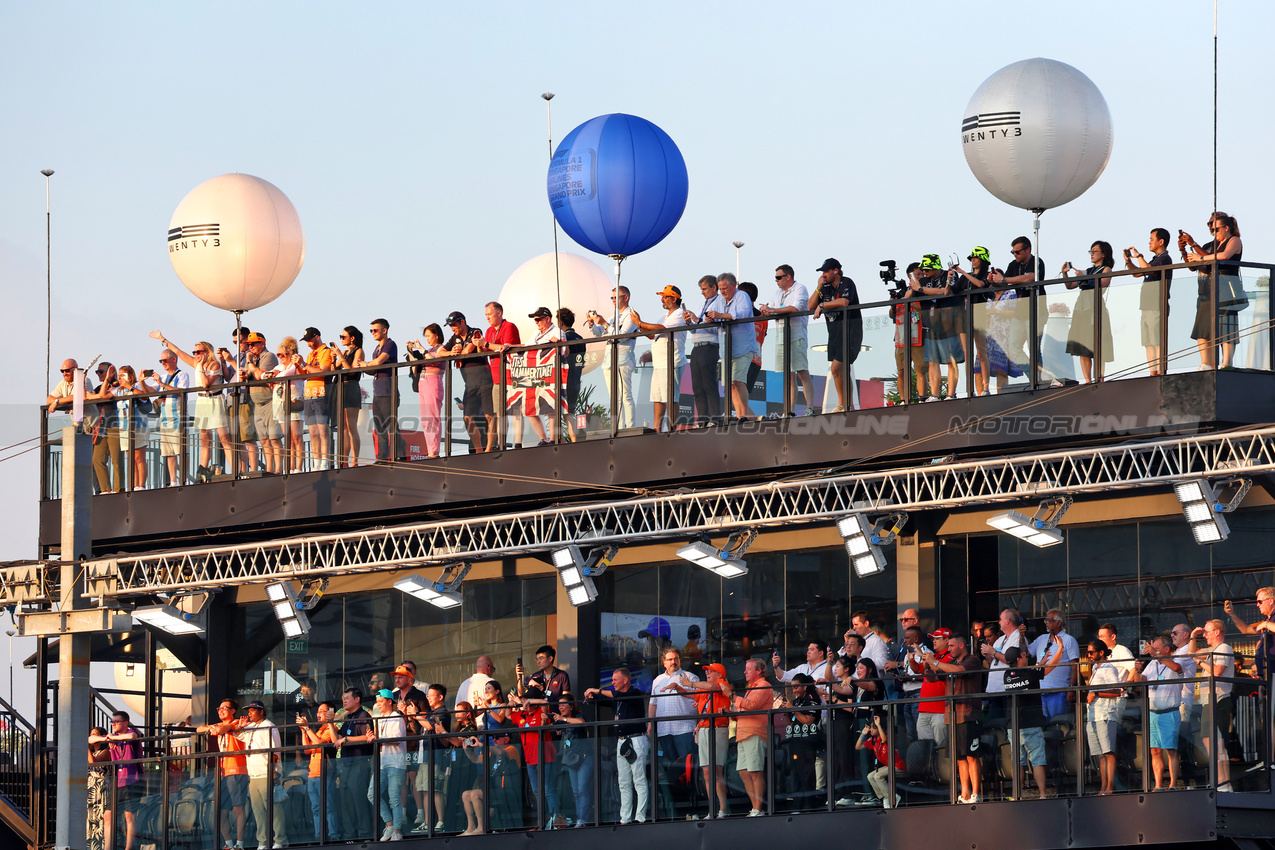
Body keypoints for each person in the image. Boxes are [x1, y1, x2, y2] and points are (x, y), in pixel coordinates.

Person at [150, 333, 237, 481]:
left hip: (214, 400)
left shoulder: (214, 365)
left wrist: (202, 367)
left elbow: (205, 384)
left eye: (198, 352)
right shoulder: (197, 365)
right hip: (202, 401)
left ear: (206, 352)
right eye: (194, 352)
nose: (195, 355)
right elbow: (178, 352)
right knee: (205, 439)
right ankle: (202, 470)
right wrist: (162, 339)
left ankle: (235, 470)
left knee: (224, 437)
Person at [584, 668, 649, 824]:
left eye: (615, 680)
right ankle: (625, 818)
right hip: (621, 742)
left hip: (636, 740)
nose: (612, 682)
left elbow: (619, 696)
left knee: (639, 780)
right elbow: (600, 701)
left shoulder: (634, 693)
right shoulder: (616, 698)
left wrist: (598, 690)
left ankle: (640, 817)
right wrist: (590, 696)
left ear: (625, 680)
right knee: (623, 782)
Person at [1005, 633, 1066, 799]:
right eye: (1024, 655)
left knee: (1018, 762)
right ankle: (1042, 794)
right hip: (1031, 723)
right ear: (1019, 659)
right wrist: (1060, 648)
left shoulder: (1007, 675)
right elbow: (1052, 666)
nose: (1026, 656)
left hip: (1014, 725)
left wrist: (1039, 663)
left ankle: (1017, 794)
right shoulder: (1030, 674)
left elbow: (1033, 670)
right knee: (1038, 760)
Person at [1182, 212, 1245, 369]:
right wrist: (1185, 252)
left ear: (1226, 227)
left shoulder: (1234, 240)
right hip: (1206, 290)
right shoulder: (1208, 246)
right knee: (1202, 328)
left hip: (1226, 289)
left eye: (1215, 228)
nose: (1212, 230)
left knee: (1226, 326)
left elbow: (1224, 256)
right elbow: (1198, 266)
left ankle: (1226, 363)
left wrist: (1198, 252)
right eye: (1210, 226)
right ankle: (1206, 364)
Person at [988, 237, 1047, 384]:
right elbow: (1005, 282)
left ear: (1028, 250)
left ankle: (1038, 379)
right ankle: (1033, 377)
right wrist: (993, 280)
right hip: (1020, 310)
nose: (1015, 255)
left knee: (1033, 347)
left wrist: (1003, 279)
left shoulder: (1036, 261)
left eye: (1017, 252)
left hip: (1035, 307)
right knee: (1013, 347)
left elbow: (1030, 278)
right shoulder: (1013, 264)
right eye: (1013, 252)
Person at [759, 264, 816, 415]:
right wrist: (766, 310)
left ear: (788, 277)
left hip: (796, 335)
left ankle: (810, 407)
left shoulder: (800, 288)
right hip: (781, 336)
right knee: (788, 374)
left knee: (802, 371)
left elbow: (795, 308)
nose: (776, 281)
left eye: (778, 277)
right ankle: (789, 411)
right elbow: (772, 308)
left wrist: (772, 310)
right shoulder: (778, 293)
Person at [648, 646, 698, 819]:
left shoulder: (690, 677)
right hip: (664, 730)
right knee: (670, 773)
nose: (673, 661)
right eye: (670, 659)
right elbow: (653, 704)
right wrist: (650, 725)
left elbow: (699, 700)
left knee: (689, 772)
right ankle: (675, 809)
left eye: (676, 658)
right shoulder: (657, 681)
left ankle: (692, 808)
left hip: (684, 728)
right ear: (664, 663)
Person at [809, 258, 864, 413]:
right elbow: (810, 306)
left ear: (836, 270)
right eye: (822, 272)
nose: (824, 275)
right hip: (834, 332)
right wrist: (818, 288)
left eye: (826, 271)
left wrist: (823, 305)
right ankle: (848, 404)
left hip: (850, 331)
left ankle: (842, 403)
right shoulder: (824, 286)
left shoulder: (847, 282)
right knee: (841, 370)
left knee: (836, 368)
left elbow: (844, 301)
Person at [933, 635, 983, 803]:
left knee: (971, 756)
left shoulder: (973, 660)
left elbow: (959, 671)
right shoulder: (950, 664)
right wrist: (925, 661)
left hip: (969, 714)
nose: (949, 649)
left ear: (962, 645)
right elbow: (934, 676)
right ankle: (965, 793)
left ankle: (976, 793)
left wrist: (935, 661)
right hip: (952, 716)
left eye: (952, 646)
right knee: (959, 757)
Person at [1131, 636, 1185, 790]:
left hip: (1169, 712)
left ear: (1166, 649)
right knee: (1155, 750)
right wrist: (1136, 670)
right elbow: (1139, 683)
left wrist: (1155, 653)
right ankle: (1159, 784)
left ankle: (1173, 784)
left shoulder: (1175, 661)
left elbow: (1176, 669)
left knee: (1171, 750)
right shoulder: (1153, 663)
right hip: (1152, 713)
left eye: (1156, 647)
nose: (1152, 650)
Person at [195, 699, 249, 849]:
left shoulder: (238, 722)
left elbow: (222, 729)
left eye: (225, 708)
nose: (220, 710)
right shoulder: (219, 725)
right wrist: (214, 726)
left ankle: (240, 844)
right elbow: (199, 729)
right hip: (223, 772)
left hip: (237, 769)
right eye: (219, 708)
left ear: (233, 711)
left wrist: (216, 728)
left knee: (238, 808)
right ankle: (229, 844)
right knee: (221, 811)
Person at [635, 285, 688, 432]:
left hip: (671, 361)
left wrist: (640, 323)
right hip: (659, 363)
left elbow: (662, 329)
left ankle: (672, 427)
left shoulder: (679, 314)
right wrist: (641, 327)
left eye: (665, 296)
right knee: (657, 397)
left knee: (671, 396)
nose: (662, 299)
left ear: (674, 298)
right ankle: (657, 427)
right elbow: (653, 335)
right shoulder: (664, 316)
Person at [585, 287, 638, 429]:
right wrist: (592, 323)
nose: (613, 300)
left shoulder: (631, 315)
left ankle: (630, 426)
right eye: (612, 298)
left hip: (623, 358)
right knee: (614, 397)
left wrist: (604, 324)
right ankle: (619, 427)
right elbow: (598, 333)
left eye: (616, 297)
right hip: (609, 360)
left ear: (625, 298)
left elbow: (622, 335)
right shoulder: (613, 316)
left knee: (625, 395)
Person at [1061, 242, 1114, 384]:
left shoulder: (1106, 269)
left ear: (1103, 254)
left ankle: (1099, 378)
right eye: (1091, 251)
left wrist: (1082, 278)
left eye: (1095, 251)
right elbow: (1070, 285)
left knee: (1098, 346)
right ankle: (1088, 380)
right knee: (1082, 347)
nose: (1092, 253)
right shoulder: (1088, 271)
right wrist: (1066, 273)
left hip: (1095, 309)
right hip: (1082, 309)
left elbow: (1102, 285)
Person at [1191, 619, 1235, 790]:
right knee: (1213, 742)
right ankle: (1222, 782)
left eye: (1207, 631)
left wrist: (1200, 662)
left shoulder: (1223, 648)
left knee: (1215, 742)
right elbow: (1190, 653)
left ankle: (1223, 783)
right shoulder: (1212, 650)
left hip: (1217, 699)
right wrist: (1193, 637)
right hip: (1209, 700)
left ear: (1217, 632)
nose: (1205, 635)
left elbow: (1217, 671)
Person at [915, 253, 965, 401]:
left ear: (936, 266)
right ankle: (934, 395)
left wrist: (921, 289)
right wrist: (917, 288)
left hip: (950, 323)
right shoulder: (923, 280)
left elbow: (946, 291)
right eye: (924, 269)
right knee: (932, 362)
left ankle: (951, 395)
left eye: (928, 269)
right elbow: (915, 295)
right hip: (932, 324)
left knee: (951, 361)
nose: (925, 272)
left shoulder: (949, 275)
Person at [725, 658, 771, 816]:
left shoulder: (764, 685)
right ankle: (755, 807)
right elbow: (745, 710)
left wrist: (731, 696)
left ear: (758, 671)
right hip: (743, 733)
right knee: (744, 772)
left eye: (748, 669)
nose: (744, 672)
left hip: (754, 732)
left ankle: (758, 808)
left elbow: (752, 705)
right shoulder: (752, 688)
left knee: (755, 771)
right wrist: (731, 713)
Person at [1125, 228, 1174, 375]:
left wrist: (1139, 256)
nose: (1149, 242)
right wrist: (1128, 262)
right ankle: (1153, 372)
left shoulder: (1164, 258)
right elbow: (1137, 273)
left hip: (1156, 305)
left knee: (1157, 340)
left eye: (1152, 239)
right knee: (1148, 342)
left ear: (1161, 241)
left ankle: (1160, 372)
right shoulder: (1155, 259)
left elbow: (1147, 269)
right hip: (1146, 306)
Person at [89, 712, 141, 850]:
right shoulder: (112, 736)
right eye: (112, 722)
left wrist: (112, 738)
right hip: (117, 781)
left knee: (129, 817)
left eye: (117, 722)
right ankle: (108, 848)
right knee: (107, 815)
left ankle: (128, 848)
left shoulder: (132, 731)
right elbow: (90, 739)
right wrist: (109, 738)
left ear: (125, 723)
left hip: (133, 779)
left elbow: (132, 736)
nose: (113, 724)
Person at [509, 686, 560, 827]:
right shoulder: (522, 714)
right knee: (537, 792)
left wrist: (530, 701)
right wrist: (510, 704)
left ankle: (556, 821)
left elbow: (546, 703)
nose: (524, 701)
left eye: (527, 698)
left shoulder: (540, 711)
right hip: (530, 758)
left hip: (545, 756)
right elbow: (508, 715)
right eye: (524, 698)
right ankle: (543, 821)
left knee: (548, 789)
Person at [239, 700, 287, 848]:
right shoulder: (251, 727)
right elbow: (238, 735)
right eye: (249, 710)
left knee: (274, 810)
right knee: (258, 812)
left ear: (261, 711)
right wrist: (240, 727)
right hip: (253, 775)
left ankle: (280, 840)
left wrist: (273, 771)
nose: (249, 713)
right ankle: (263, 842)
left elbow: (274, 750)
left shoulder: (269, 726)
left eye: (253, 710)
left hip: (267, 773)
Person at [444, 312, 494, 453]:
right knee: (467, 418)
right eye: (450, 326)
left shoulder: (475, 332)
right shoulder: (455, 338)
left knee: (489, 416)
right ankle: (478, 449)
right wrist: (451, 353)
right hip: (470, 384)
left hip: (485, 381)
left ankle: (489, 448)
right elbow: (440, 352)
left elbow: (467, 351)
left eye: (454, 325)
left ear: (462, 322)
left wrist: (457, 353)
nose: (452, 328)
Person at [949, 247, 995, 396]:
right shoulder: (965, 277)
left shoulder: (987, 276)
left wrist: (962, 272)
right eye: (972, 258)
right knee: (968, 355)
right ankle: (971, 389)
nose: (973, 261)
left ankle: (986, 388)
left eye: (976, 258)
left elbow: (981, 285)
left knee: (981, 354)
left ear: (983, 260)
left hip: (979, 315)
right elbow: (949, 292)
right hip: (964, 317)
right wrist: (949, 279)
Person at [460, 725, 522, 834]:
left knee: (475, 794)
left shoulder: (512, 749)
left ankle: (481, 827)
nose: (494, 740)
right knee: (465, 794)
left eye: (497, 737)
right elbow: (476, 759)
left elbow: (502, 754)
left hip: (508, 791)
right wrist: (466, 749)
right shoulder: (492, 753)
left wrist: (482, 745)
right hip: (496, 791)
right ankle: (471, 827)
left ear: (506, 739)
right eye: (493, 737)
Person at [140, 350, 190, 485]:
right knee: (169, 452)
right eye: (161, 361)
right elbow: (151, 391)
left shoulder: (182, 375)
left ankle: (183, 479)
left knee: (181, 450)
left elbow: (181, 392)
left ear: (174, 359)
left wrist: (162, 384)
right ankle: (173, 481)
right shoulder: (162, 376)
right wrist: (142, 382)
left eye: (165, 360)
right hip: (165, 419)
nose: (163, 363)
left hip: (178, 417)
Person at [682, 275, 726, 425]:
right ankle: (702, 419)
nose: (703, 292)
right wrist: (689, 324)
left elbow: (716, 328)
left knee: (709, 384)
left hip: (710, 346)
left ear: (714, 287)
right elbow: (696, 330)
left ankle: (715, 418)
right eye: (701, 289)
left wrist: (697, 320)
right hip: (697, 347)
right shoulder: (702, 304)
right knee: (697, 387)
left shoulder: (720, 303)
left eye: (705, 289)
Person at [359, 318, 404, 462]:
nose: (372, 333)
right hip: (377, 393)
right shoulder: (376, 349)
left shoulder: (390, 344)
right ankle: (383, 457)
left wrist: (366, 364)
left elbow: (378, 362)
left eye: (375, 330)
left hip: (388, 391)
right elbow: (374, 369)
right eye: (371, 330)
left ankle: (399, 455)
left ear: (384, 330)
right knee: (379, 427)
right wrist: (365, 367)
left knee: (391, 425)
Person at [238, 333, 282, 475]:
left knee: (274, 438)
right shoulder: (252, 359)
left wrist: (250, 363)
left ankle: (278, 469)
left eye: (253, 344)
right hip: (257, 403)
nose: (250, 347)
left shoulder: (268, 356)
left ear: (262, 344)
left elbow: (259, 375)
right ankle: (269, 470)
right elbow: (248, 376)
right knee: (264, 440)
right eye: (248, 344)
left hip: (269, 401)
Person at [481, 302, 522, 450]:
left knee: (516, 410)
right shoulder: (488, 331)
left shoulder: (509, 326)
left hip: (512, 376)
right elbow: (489, 350)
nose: (487, 318)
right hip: (496, 377)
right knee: (499, 413)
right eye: (486, 315)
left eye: (489, 314)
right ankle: (501, 443)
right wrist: (481, 345)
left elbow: (506, 348)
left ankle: (518, 443)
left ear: (499, 313)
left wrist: (485, 344)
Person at [293, 327, 335, 471]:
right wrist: (299, 365)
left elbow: (322, 372)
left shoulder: (326, 351)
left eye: (310, 340)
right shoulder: (311, 355)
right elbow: (304, 375)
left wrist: (304, 364)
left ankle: (325, 460)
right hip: (309, 395)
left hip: (321, 393)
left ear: (317, 337)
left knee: (323, 430)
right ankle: (316, 462)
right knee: (312, 432)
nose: (308, 344)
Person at [336, 687, 375, 840]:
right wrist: (330, 723)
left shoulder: (363, 715)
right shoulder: (349, 717)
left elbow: (368, 737)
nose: (344, 701)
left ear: (357, 699)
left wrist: (346, 740)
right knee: (346, 803)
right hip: (346, 765)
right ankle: (350, 835)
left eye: (347, 698)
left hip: (360, 764)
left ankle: (365, 835)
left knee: (359, 801)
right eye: (343, 698)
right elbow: (336, 739)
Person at [298, 701, 341, 842]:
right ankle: (319, 835)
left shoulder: (331, 728)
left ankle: (334, 834)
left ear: (329, 713)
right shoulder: (319, 730)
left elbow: (319, 743)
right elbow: (307, 749)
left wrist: (308, 729)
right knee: (316, 809)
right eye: (318, 711)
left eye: (321, 711)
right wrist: (304, 731)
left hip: (325, 773)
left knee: (329, 807)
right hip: (312, 774)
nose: (318, 714)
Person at [368, 689, 407, 841]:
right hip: (382, 763)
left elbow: (397, 740)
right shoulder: (381, 718)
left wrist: (377, 738)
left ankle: (397, 830)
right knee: (372, 794)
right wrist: (372, 737)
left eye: (381, 701)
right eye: (377, 702)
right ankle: (390, 824)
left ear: (389, 702)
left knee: (394, 798)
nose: (378, 704)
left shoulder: (396, 717)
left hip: (395, 762)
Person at [1027, 608, 1080, 719]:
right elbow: (1025, 653)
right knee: (1045, 724)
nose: (1046, 623)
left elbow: (1074, 665)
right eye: (1045, 621)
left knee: (1059, 722)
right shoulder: (1041, 639)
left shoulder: (1068, 640)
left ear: (1058, 623)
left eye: (1049, 621)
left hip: (1059, 690)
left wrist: (1072, 688)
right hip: (1041, 691)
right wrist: (1021, 637)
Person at [1085, 641, 1122, 795]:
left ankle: (1110, 788)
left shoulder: (1109, 668)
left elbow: (1117, 691)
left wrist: (1097, 693)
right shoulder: (1095, 668)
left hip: (1105, 714)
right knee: (1100, 754)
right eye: (1088, 652)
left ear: (1101, 652)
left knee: (1108, 752)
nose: (1089, 656)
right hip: (1093, 715)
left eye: (1091, 652)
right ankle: (1103, 787)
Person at [406, 324, 449, 458]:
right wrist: (411, 353)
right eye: (426, 336)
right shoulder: (430, 350)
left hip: (433, 381)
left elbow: (435, 361)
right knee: (425, 419)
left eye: (429, 336)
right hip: (423, 383)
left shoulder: (441, 349)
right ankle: (430, 448)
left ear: (437, 335)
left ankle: (434, 450)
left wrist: (422, 349)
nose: (428, 339)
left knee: (433, 417)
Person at [522, 307, 563, 445]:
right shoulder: (536, 333)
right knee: (530, 409)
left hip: (550, 374)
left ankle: (552, 439)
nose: (537, 322)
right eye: (535, 320)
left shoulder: (557, 331)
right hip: (534, 375)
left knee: (551, 407)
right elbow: (526, 347)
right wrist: (509, 346)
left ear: (548, 319)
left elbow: (564, 351)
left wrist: (557, 343)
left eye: (539, 319)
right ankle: (543, 439)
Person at [551, 694, 594, 827]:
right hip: (570, 759)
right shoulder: (562, 720)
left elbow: (581, 723)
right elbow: (553, 729)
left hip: (584, 758)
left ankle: (583, 819)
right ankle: (579, 818)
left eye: (563, 704)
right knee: (576, 792)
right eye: (559, 705)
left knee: (582, 790)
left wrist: (563, 718)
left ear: (571, 706)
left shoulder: (577, 717)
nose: (560, 707)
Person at [890, 263, 928, 403]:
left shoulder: (923, 290)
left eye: (922, 274)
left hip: (919, 336)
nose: (921, 276)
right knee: (901, 370)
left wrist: (906, 301)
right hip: (901, 337)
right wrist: (894, 304)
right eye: (918, 274)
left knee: (920, 369)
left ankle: (922, 398)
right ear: (909, 275)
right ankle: (903, 400)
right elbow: (892, 314)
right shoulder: (901, 291)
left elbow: (925, 310)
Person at [269, 336, 307, 472]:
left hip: (293, 401)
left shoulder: (295, 365)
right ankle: (290, 467)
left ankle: (298, 467)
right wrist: (271, 376)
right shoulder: (278, 367)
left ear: (290, 354)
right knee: (288, 438)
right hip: (280, 403)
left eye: (282, 354)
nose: (280, 357)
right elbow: (265, 376)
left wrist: (275, 375)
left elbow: (285, 374)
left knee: (297, 437)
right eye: (278, 354)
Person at [416, 684, 451, 832]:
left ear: (440, 697)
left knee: (435, 789)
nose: (428, 697)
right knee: (424, 790)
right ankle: (428, 822)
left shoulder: (442, 712)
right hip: (425, 756)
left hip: (436, 756)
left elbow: (431, 727)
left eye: (431, 695)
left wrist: (415, 715)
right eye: (428, 695)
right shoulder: (431, 713)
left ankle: (441, 821)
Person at [329, 326, 365, 467]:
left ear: (352, 338)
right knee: (343, 427)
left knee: (351, 426)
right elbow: (334, 369)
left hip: (351, 387)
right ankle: (343, 461)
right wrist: (334, 358)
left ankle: (354, 460)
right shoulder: (345, 351)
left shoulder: (358, 351)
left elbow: (351, 371)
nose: (342, 339)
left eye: (344, 337)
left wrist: (341, 356)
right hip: (340, 388)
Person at [981, 608, 1024, 721]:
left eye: (1000, 619)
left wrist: (993, 652)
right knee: (993, 723)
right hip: (994, 689)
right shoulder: (1000, 639)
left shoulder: (1018, 637)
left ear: (1008, 620)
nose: (999, 622)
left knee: (1008, 722)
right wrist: (986, 653)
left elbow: (1011, 660)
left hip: (1007, 689)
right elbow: (993, 662)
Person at [855, 714, 905, 808]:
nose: (871, 730)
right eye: (871, 728)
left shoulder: (885, 736)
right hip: (889, 766)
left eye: (874, 728)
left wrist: (878, 725)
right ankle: (884, 798)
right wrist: (863, 734)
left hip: (898, 765)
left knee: (878, 776)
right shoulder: (872, 740)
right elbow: (857, 747)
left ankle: (892, 797)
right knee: (870, 776)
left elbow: (884, 739)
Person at [114, 366, 152, 490]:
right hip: (125, 427)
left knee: (139, 457)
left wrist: (130, 387)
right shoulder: (119, 390)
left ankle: (141, 485)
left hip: (139, 426)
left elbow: (145, 396)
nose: (120, 378)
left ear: (130, 377)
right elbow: (104, 395)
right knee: (131, 458)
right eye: (119, 375)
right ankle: (134, 484)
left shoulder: (137, 386)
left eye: (123, 375)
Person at [915, 627, 953, 746]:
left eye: (937, 638)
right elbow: (919, 669)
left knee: (941, 746)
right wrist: (912, 660)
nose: (934, 641)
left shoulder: (951, 656)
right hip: (924, 707)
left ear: (947, 640)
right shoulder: (934, 657)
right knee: (924, 746)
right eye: (933, 639)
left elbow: (942, 671)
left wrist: (924, 657)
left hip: (940, 709)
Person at [556, 308, 587, 442]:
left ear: (561, 322)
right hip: (576, 381)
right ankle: (573, 440)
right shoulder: (580, 339)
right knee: (570, 414)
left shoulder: (564, 339)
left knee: (560, 413)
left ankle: (561, 440)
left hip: (564, 381)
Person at [737, 281, 767, 393]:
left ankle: (735, 411)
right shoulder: (762, 316)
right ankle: (737, 411)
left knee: (736, 391)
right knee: (742, 393)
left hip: (743, 357)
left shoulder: (741, 314)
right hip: (757, 359)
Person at [87, 726, 111, 850]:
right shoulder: (93, 751)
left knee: (99, 814)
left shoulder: (105, 751)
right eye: (91, 734)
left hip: (100, 783)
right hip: (91, 783)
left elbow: (94, 763)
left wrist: (86, 748)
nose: (92, 737)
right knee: (91, 814)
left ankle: (100, 844)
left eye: (95, 734)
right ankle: (90, 843)